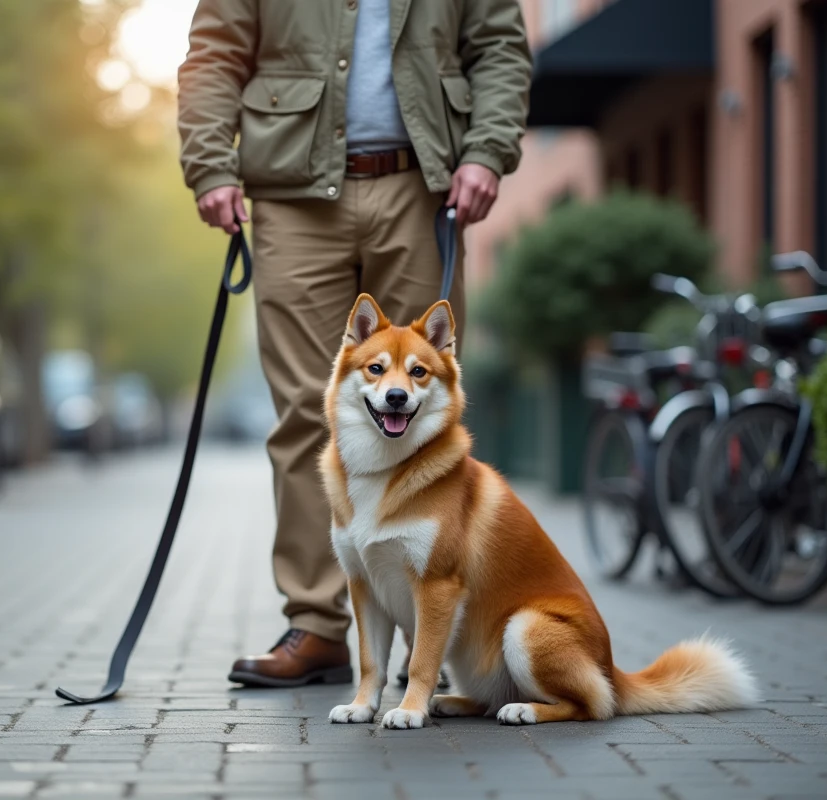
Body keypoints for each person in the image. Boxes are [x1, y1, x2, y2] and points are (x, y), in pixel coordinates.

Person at [178, 0, 532, 687]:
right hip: (292, 192)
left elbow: (499, 46)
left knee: (420, 416)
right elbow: (214, 55)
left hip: (423, 188)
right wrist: (210, 164)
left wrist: (487, 150)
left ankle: (424, 643)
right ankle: (316, 626)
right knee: (309, 418)